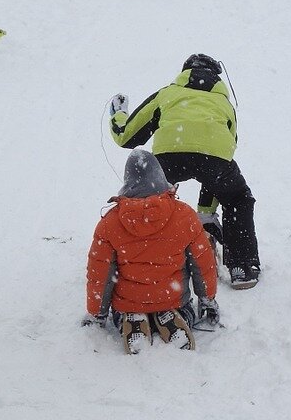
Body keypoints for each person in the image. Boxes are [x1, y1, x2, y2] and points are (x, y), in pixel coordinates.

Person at [109, 54, 261, 289]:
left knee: (148, 201)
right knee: (236, 198)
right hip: (215, 159)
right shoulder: (225, 105)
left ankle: (134, 261)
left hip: (169, 156)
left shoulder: (167, 94)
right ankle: (242, 266)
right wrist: (206, 213)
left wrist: (118, 113)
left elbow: (125, 136)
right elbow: (224, 151)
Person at [83, 149, 220, 354]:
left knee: (126, 312)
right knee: (182, 309)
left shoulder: (110, 223)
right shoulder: (183, 215)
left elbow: (100, 275)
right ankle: (173, 316)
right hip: (173, 298)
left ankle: (134, 319)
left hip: (128, 303)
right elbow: (202, 263)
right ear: (160, 176)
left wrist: (97, 313)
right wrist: (207, 298)